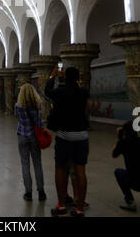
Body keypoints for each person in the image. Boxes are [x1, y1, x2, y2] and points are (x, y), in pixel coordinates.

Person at [45, 67, 90, 217]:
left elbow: (47, 91)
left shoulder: (60, 92)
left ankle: (62, 205)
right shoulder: (83, 92)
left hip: (64, 136)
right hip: (82, 135)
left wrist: (53, 77)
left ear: (65, 78)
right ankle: (79, 209)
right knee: (80, 171)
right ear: (77, 78)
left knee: (60, 168)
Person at [14, 83, 46, 202]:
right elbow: (38, 123)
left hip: (22, 136)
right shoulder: (36, 106)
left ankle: (28, 193)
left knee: (25, 163)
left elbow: (16, 115)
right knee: (37, 163)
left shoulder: (18, 106)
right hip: (34, 137)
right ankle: (41, 191)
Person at [112, 120, 140, 212]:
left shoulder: (124, 143)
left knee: (118, 172)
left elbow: (114, 155)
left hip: (135, 182)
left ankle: (130, 201)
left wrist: (119, 139)